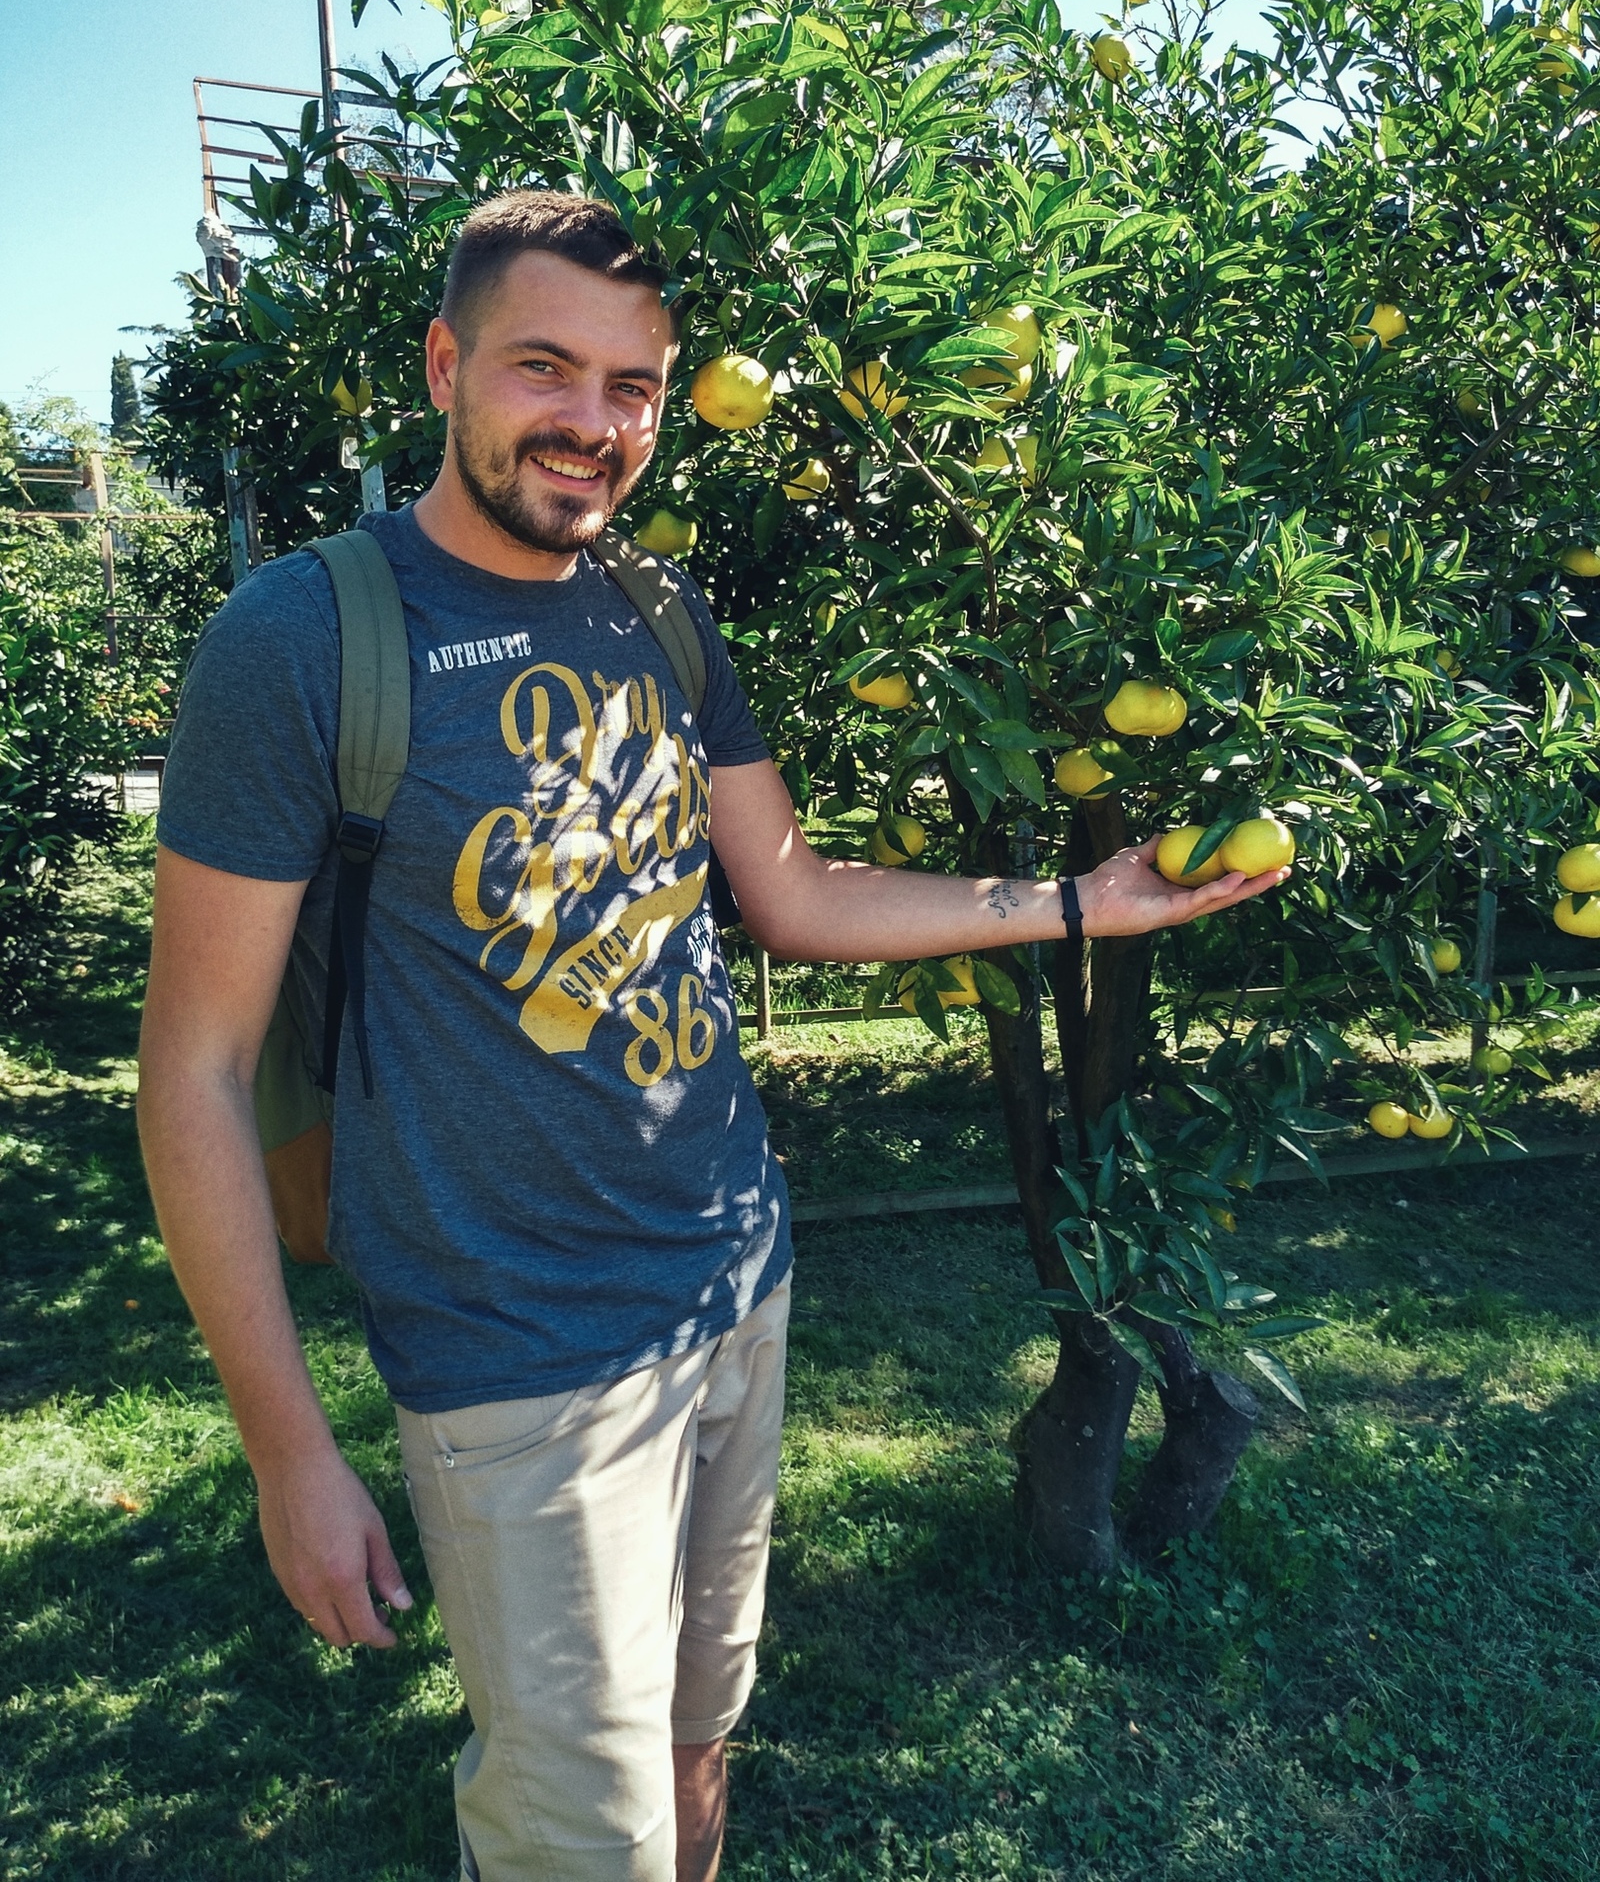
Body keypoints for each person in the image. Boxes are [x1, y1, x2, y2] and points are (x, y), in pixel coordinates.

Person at [137, 190, 1288, 1882]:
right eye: (546, 368)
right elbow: (196, 1068)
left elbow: (795, 891)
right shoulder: (303, 643)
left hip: (735, 1286)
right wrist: (287, 1449)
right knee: (572, 1845)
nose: (593, 425)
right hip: (515, 1361)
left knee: (696, 1751)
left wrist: (1073, 902)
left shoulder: (661, 615)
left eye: (636, 386)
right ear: (446, 365)